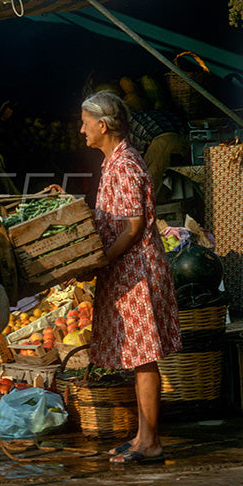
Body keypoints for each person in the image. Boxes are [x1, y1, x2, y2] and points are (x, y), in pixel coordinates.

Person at [79, 91, 182, 464]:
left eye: (86, 123)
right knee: (139, 358)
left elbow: (133, 225)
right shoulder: (113, 163)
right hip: (126, 271)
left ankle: (151, 442)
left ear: (103, 126)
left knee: (144, 359)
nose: (81, 130)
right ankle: (141, 436)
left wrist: (103, 260)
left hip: (135, 271)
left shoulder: (125, 165)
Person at [128, 104, 191, 200]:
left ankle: (144, 207)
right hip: (162, 138)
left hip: (172, 137)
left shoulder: (121, 124)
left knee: (151, 175)